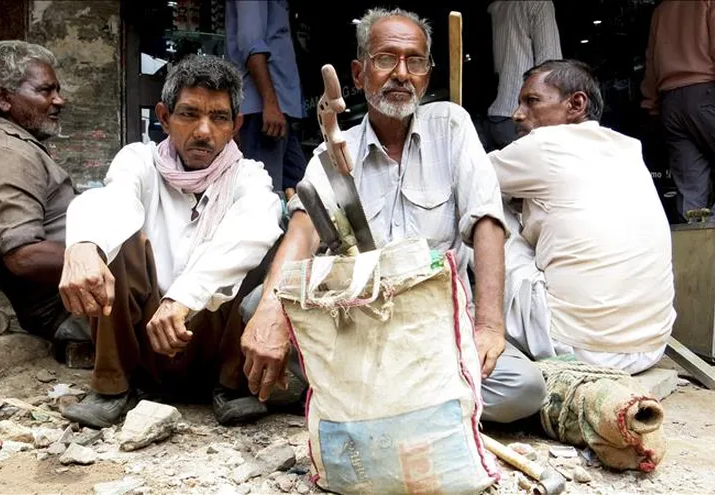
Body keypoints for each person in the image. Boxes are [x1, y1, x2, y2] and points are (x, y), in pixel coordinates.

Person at [241, 8, 547, 424]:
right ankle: (413, 400)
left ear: (426, 74)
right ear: (358, 73)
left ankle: (353, 396)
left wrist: (489, 326)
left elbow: (488, 222)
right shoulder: (335, 149)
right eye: (386, 59)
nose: (402, 74)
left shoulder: (451, 126)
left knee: (521, 388)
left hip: (437, 332)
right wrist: (271, 312)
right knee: (259, 306)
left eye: (415, 61)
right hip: (356, 328)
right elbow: (304, 228)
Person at [58, 55, 283, 428]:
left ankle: (232, 385)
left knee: (265, 243)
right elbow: (113, 200)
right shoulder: (139, 161)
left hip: (212, 345)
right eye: (189, 114)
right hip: (146, 347)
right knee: (116, 241)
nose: (204, 131)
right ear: (164, 117)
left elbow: (253, 227)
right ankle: (112, 386)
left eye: (219, 118)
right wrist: (84, 245)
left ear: (235, 126)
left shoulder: (249, 177)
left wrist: (182, 299)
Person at [489, 59, 676, 374]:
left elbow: (466, 177)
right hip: (650, 346)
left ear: (576, 104)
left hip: (579, 349)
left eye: (532, 101)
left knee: (485, 208)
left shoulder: (544, 144)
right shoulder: (628, 149)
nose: (517, 114)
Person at [0, 40, 90, 344]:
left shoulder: (19, 147)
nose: (59, 100)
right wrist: (103, 256)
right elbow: (24, 256)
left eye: (57, 91)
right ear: (4, 98)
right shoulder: (3, 153)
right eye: (46, 91)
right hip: (71, 311)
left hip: (85, 300)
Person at [641, 0, 715, 222]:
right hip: (710, 96)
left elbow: (651, 61)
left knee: (690, 188)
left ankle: (691, 238)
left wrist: (651, 106)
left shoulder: (663, 8)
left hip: (671, 103)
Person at [226, 0, 306, 199]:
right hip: (262, 111)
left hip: (277, 109)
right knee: (262, 196)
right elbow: (251, 43)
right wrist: (270, 103)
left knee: (302, 193)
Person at [484, 0, 562, 152]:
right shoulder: (539, 4)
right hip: (524, 118)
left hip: (495, 117)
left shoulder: (495, 7)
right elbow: (551, 68)